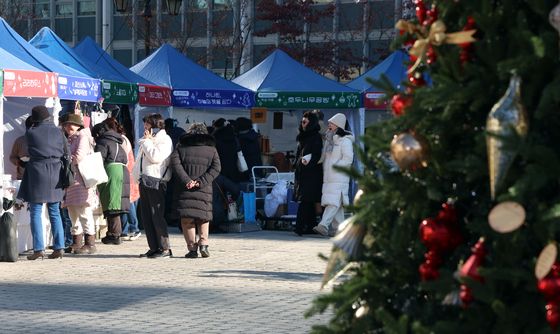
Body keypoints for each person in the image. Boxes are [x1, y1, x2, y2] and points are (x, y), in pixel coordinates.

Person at [17, 106, 67, 260]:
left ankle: (38, 249)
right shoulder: (59, 132)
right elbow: (67, 153)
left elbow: (27, 151)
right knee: (55, 211)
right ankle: (59, 247)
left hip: (38, 172)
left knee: (36, 211)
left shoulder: (31, 132)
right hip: (56, 172)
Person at [170, 123, 220, 258]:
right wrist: (201, 182)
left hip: (184, 189)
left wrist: (187, 181)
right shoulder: (211, 149)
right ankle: (203, 243)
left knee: (187, 219)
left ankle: (192, 248)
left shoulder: (180, 148)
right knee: (203, 218)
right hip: (204, 188)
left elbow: (175, 165)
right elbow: (216, 168)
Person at [133, 114, 173, 258]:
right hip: (144, 179)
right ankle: (154, 246)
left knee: (156, 215)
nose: (145, 127)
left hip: (156, 179)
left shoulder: (164, 139)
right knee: (146, 216)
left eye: (147, 125)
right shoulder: (150, 140)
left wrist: (147, 142)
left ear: (155, 126)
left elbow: (156, 157)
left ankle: (165, 248)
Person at [61, 114, 99, 254]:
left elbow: (79, 156)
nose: (67, 127)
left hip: (81, 181)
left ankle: (90, 243)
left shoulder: (83, 136)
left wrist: (65, 160)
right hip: (71, 181)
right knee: (73, 212)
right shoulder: (70, 139)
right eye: (65, 124)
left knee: (83, 211)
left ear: (79, 125)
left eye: (71, 124)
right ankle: (76, 242)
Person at [313, 113, 354, 237]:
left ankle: (323, 225)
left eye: (331, 123)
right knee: (336, 204)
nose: (329, 125)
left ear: (338, 125)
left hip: (339, 177)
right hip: (329, 177)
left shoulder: (345, 141)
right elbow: (324, 157)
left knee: (333, 203)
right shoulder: (329, 140)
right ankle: (342, 230)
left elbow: (348, 159)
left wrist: (336, 167)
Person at [92, 121, 130, 245]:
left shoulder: (103, 142)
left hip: (111, 171)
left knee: (112, 206)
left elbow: (98, 160)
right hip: (122, 171)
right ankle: (114, 233)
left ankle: (114, 235)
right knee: (115, 205)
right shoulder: (118, 141)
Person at [104, 117, 141, 241]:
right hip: (125, 172)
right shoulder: (120, 138)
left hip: (126, 172)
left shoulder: (122, 139)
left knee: (128, 201)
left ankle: (134, 228)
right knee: (123, 201)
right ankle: (124, 230)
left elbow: (122, 157)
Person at [294, 111, 323, 236]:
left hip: (312, 173)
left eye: (306, 120)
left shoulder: (315, 136)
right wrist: (297, 163)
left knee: (305, 200)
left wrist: (305, 162)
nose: (303, 122)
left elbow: (317, 155)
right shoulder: (303, 136)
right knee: (309, 201)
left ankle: (299, 227)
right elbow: (299, 153)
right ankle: (310, 226)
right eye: (302, 120)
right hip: (303, 172)